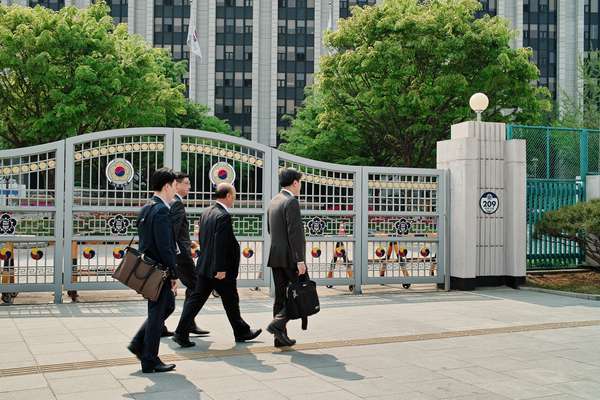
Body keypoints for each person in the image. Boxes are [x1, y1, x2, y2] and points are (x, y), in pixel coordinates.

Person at [172, 183, 262, 347]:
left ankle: (181, 332)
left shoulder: (206, 212)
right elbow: (220, 244)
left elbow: (203, 239)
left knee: (203, 299)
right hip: (219, 270)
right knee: (228, 300)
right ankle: (241, 331)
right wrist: (220, 268)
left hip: (205, 266)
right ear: (228, 196)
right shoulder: (223, 216)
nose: (234, 199)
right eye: (234, 196)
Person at [127, 168, 179, 373]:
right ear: (167, 186)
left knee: (165, 308)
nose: (176, 190)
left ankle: (139, 344)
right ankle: (149, 358)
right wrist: (173, 273)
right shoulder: (162, 211)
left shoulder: (147, 207)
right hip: (159, 271)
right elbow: (165, 246)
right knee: (159, 312)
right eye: (175, 186)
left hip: (149, 268)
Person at [162, 172, 210, 337]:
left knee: (171, 290)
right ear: (177, 184)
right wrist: (180, 252)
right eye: (187, 183)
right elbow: (173, 233)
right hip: (180, 256)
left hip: (179, 252)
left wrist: (188, 243)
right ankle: (186, 324)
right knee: (197, 287)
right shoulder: (176, 204)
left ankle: (184, 323)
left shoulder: (173, 202)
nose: (189, 187)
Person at [266, 168, 306, 347]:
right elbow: (294, 234)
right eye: (300, 183)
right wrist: (300, 260)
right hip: (290, 258)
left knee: (281, 296)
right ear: (295, 183)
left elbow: (269, 229)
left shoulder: (274, 200)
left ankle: (279, 338)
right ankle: (277, 325)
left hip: (275, 256)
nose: (300, 186)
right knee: (299, 295)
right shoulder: (291, 202)